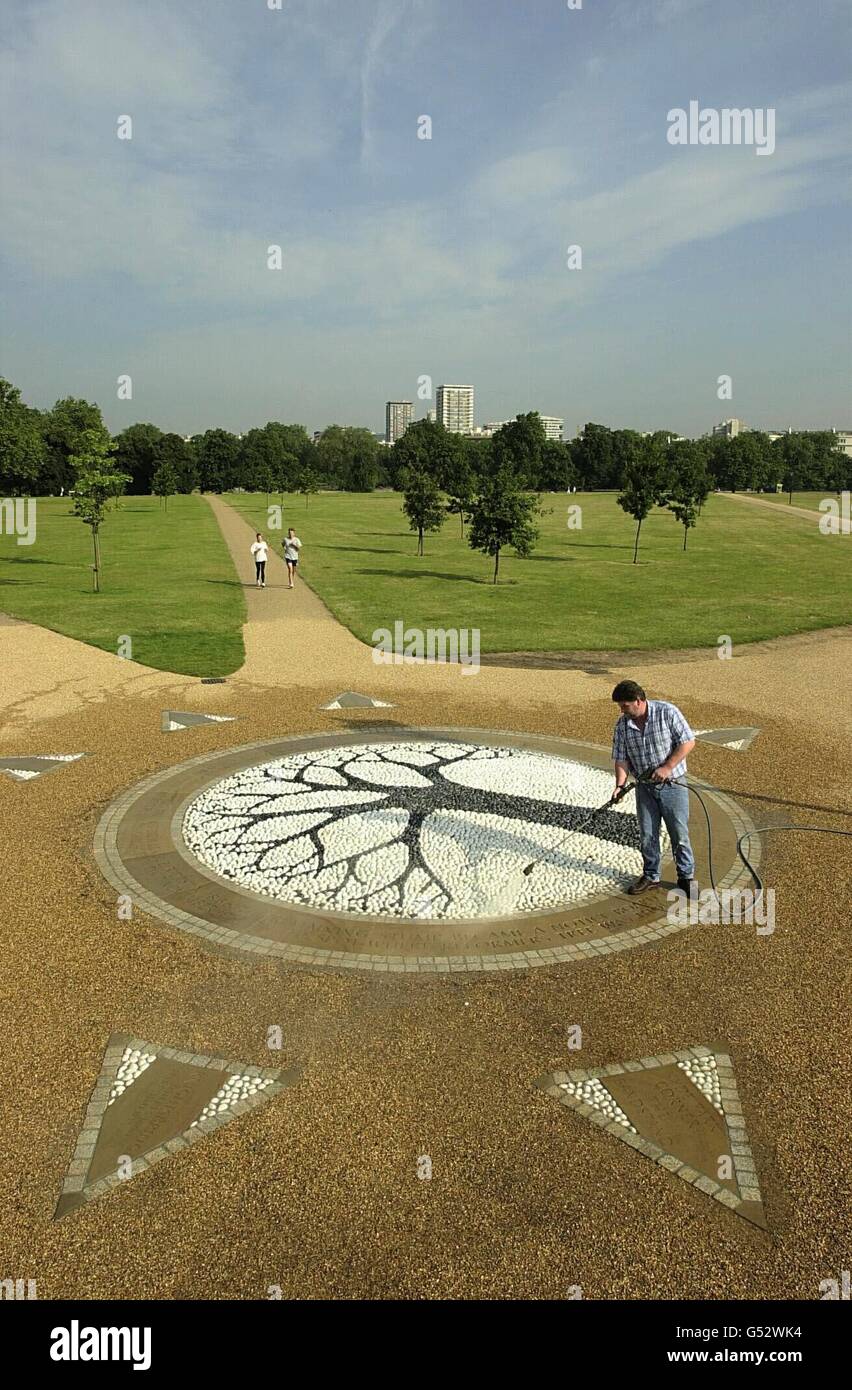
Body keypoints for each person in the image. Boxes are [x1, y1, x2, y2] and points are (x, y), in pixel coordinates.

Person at [611, 679, 697, 897]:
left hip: (672, 786)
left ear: (639, 701)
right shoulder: (622, 726)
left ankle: (686, 877)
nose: (622, 710)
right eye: (620, 706)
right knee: (648, 834)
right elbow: (621, 759)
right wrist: (619, 786)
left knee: (679, 833)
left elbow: (688, 741)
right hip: (644, 788)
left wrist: (667, 767)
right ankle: (651, 876)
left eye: (625, 705)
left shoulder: (667, 712)